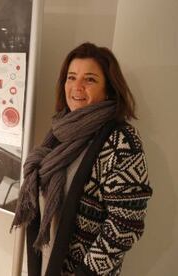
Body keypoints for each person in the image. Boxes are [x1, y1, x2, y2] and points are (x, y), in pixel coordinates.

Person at [11, 42, 153, 276]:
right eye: (71, 77)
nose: (76, 86)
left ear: (108, 89)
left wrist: (86, 271)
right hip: (48, 262)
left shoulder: (122, 141)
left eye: (90, 79)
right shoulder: (60, 132)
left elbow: (126, 222)